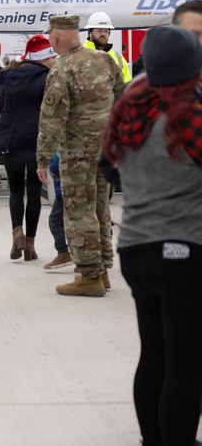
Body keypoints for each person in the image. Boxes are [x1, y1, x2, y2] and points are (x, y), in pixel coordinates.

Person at [102, 24, 202, 446]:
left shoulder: (130, 104)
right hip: (182, 248)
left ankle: (153, 439)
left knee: (154, 354)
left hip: (135, 248)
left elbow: (107, 166)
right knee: (185, 363)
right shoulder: (190, 114)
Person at [36, 14, 124, 297]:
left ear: (57, 37)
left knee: (78, 211)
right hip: (107, 151)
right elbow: (123, 102)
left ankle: (89, 276)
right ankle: (103, 269)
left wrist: (42, 159)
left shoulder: (62, 70)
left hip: (77, 154)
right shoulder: (106, 60)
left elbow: (51, 119)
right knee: (100, 208)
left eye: (50, 35)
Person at [0, 34, 56, 261]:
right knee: (35, 193)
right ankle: (30, 245)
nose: (55, 60)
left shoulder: (9, 76)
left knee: (15, 190)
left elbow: (3, 107)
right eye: (52, 56)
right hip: (35, 141)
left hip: (11, 139)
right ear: (43, 58)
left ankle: (17, 233)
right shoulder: (47, 78)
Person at [83, 11, 131, 83]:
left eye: (106, 31)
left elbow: (127, 86)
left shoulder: (118, 58)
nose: (103, 34)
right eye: (99, 30)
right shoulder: (79, 55)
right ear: (90, 32)